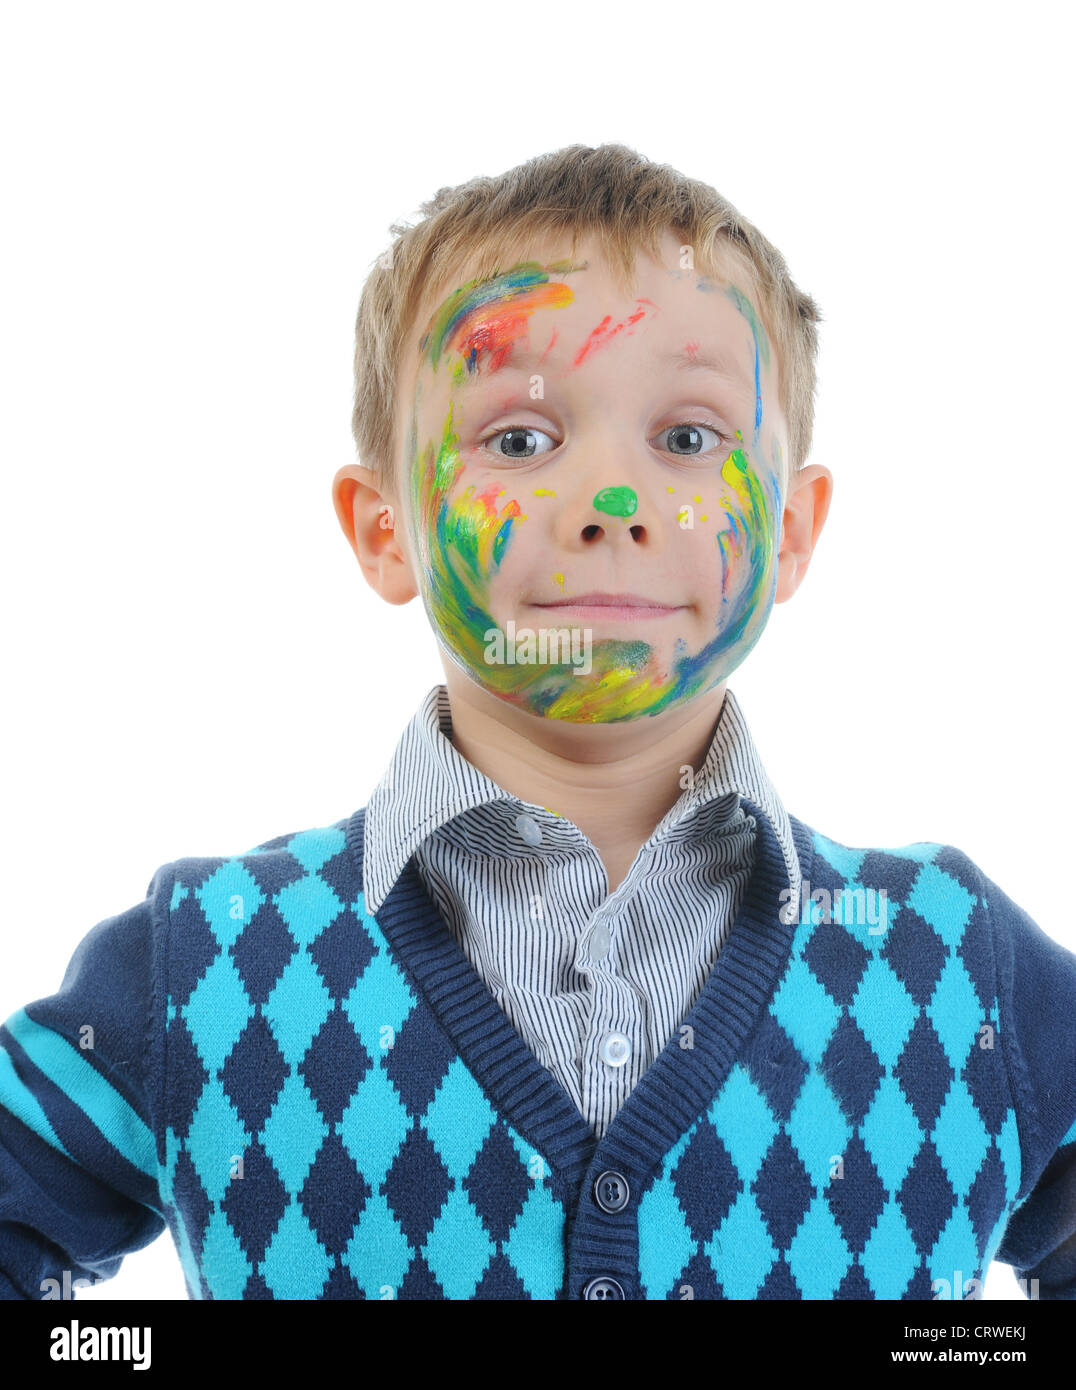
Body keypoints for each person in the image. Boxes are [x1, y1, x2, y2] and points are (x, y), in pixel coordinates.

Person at [2, 144, 1073, 1301]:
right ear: (385, 530)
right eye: (519, 440)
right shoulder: (207, 964)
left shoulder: (955, 969)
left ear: (794, 532)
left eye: (687, 439)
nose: (609, 504)